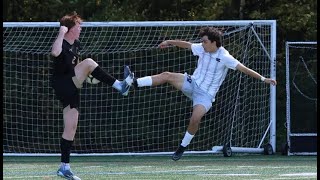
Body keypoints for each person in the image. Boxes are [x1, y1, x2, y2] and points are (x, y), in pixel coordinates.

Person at [133, 27, 277, 161]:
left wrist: (264, 79)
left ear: (214, 42)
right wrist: (169, 41)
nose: (202, 44)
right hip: (192, 83)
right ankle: (134, 83)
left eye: (205, 41)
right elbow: (187, 45)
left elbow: (244, 69)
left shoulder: (225, 56)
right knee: (167, 75)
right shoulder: (202, 48)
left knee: (195, 118)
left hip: (205, 95)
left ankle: (182, 147)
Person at [50, 12, 134, 179]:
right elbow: (55, 52)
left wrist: (87, 76)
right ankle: (120, 86)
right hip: (62, 84)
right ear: (70, 29)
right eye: (78, 26)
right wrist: (61, 32)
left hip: (72, 87)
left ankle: (64, 167)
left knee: (71, 128)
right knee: (89, 62)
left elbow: (74, 67)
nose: (80, 28)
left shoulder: (77, 45)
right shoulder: (63, 42)